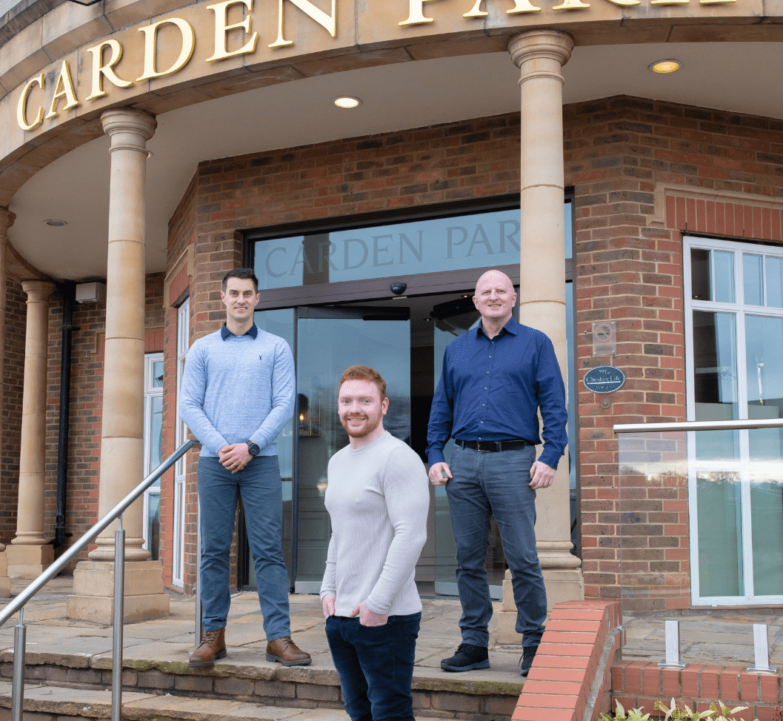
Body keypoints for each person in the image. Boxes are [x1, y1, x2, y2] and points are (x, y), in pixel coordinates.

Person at [427, 269, 568, 677]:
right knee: (468, 560)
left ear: (513, 299)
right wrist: (435, 452)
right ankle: (474, 644)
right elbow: (441, 408)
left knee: (522, 557)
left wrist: (551, 455)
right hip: (463, 462)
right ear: (475, 301)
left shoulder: (535, 344)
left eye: (500, 291)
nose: (493, 296)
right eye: (485, 291)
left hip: (514, 460)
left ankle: (533, 642)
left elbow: (554, 405)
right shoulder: (456, 350)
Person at [180, 267, 310, 668]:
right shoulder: (202, 348)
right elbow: (188, 405)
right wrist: (224, 448)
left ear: (257, 298)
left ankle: (279, 638)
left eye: (247, 293)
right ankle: (213, 636)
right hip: (215, 464)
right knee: (213, 551)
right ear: (222, 298)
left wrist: (250, 447)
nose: (240, 299)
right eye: (233, 293)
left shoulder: (275, 347)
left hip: (261, 463)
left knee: (269, 550)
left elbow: (284, 404)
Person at [321, 365, 429, 721]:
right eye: (347, 400)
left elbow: (411, 535)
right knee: (358, 712)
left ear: (383, 406)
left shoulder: (398, 458)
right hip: (342, 617)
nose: (355, 408)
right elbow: (340, 532)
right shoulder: (337, 462)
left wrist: (378, 605)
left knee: (390, 713)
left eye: (365, 400)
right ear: (338, 407)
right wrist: (327, 590)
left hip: (387, 617)